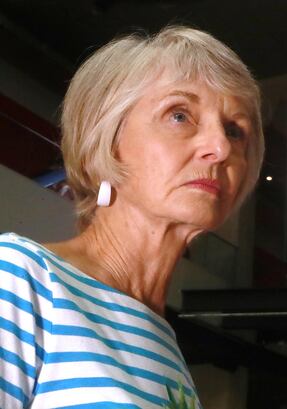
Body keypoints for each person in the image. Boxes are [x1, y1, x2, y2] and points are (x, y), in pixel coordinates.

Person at [0, 26, 263, 408]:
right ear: (104, 142)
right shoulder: (19, 278)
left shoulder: (167, 349)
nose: (220, 147)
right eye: (179, 115)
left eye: (235, 131)